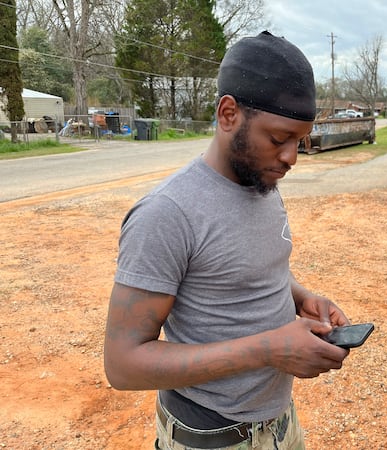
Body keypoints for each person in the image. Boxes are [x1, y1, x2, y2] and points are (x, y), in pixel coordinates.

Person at [103, 31, 351, 450]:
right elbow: (123, 365)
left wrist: (301, 297)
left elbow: (246, 266)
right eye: (279, 139)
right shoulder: (167, 214)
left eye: (300, 141)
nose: (292, 157)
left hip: (277, 425)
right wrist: (269, 350)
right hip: (212, 437)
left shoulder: (262, 181)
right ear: (228, 114)